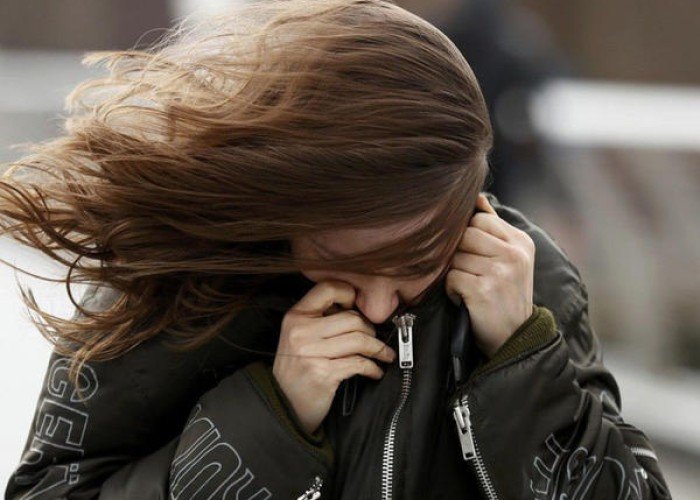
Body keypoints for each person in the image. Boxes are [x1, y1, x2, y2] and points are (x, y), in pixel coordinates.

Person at [1, 0, 670, 498]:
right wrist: (271, 421)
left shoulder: (528, 280)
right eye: (344, 262)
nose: (377, 306)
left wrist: (522, 365)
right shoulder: (173, 273)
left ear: (469, 207)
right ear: (294, 198)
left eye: (416, 263)